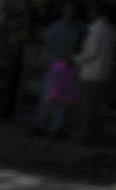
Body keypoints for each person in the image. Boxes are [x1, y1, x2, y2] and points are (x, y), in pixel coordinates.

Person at [34, 2, 85, 136]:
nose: (70, 13)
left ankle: (57, 128)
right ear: (63, 11)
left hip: (70, 67)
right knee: (48, 97)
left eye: (72, 10)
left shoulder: (79, 28)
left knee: (63, 99)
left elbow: (83, 46)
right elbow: (47, 48)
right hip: (55, 66)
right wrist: (54, 60)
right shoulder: (56, 28)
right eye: (67, 10)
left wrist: (74, 59)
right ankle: (42, 125)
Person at [74, 2, 115, 143]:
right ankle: (94, 137)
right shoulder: (109, 29)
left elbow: (91, 52)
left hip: (90, 74)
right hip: (102, 75)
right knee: (96, 110)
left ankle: (84, 137)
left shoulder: (95, 29)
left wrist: (76, 59)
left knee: (87, 110)